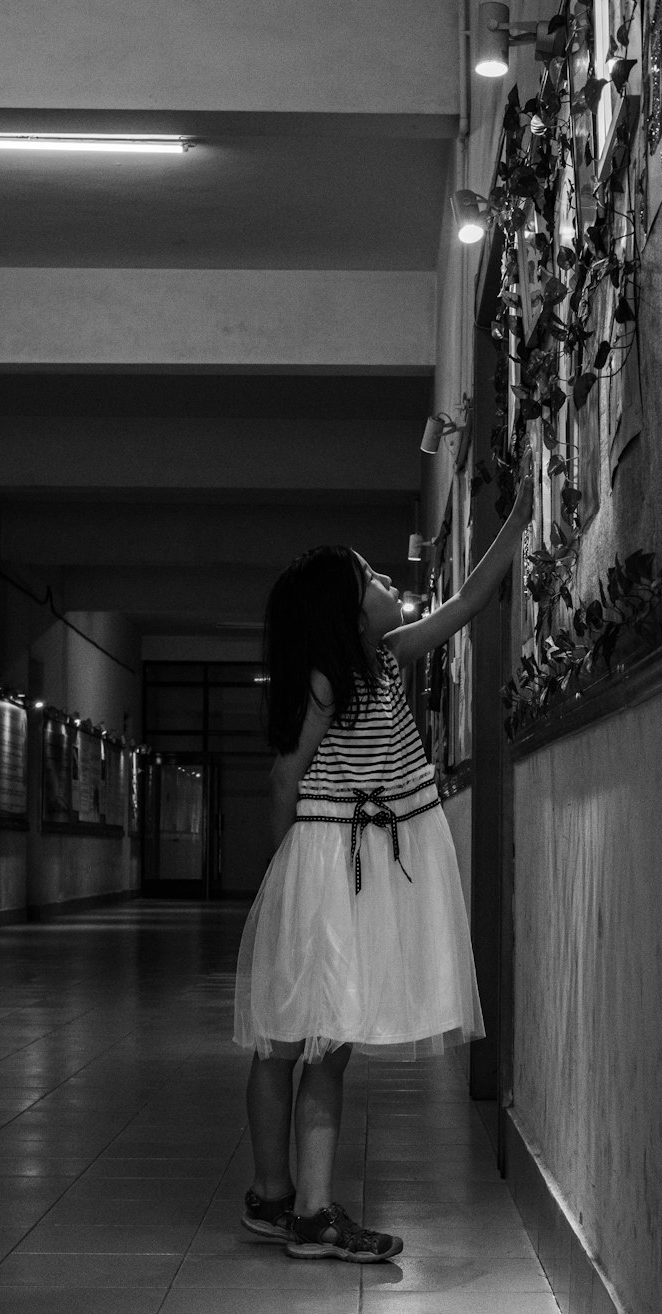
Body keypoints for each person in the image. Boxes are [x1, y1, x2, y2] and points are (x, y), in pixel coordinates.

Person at [233, 453, 534, 1263]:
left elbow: (471, 600)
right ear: (345, 606)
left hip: (345, 862)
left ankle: (274, 1197)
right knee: (314, 1045)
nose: (382, 579)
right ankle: (310, 1213)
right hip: (331, 863)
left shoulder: (388, 657)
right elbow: (284, 774)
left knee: (294, 1041)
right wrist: (284, 872)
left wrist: (521, 516)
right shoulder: (333, 680)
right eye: (367, 574)